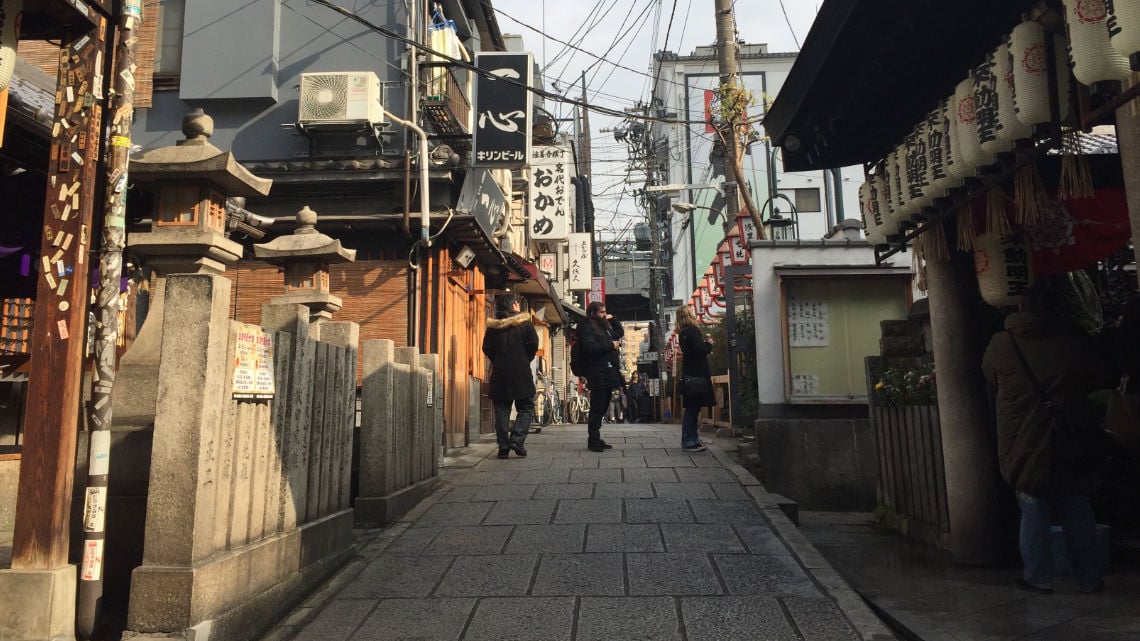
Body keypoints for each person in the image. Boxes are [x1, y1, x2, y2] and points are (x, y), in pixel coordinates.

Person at [981, 283, 1113, 595]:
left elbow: (989, 375)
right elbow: (1098, 378)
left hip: (1023, 435)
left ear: (1021, 308)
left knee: (1032, 503)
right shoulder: (1076, 341)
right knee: (1077, 505)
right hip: (1071, 433)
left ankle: (1038, 576)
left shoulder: (1003, 343)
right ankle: (1089, 578)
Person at [482, 293, 539, 459]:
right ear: (514, 305)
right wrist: (524, 358)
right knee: (526, 406)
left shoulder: (493, 327)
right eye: (517, 303)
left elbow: (486, 348)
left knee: (501, 409)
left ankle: (503, 447)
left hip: (500, 373)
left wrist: (498, 360)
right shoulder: (525, 324)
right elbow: (533, 344)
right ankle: (517, 439)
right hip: (521, 371)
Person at [578, 301, 624, 452]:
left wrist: (613, 318)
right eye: (602, 312)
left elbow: (619, 333)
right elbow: (589, 348)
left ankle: (596, 438)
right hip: (597, 372)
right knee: (597, 407)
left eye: (605, 312)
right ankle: (593, 440)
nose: (605, 315)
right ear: (593, 313)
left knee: (603, 406)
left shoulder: (604, 326)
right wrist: (610, 346)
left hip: (607, 372)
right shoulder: (587, 327)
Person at [676, 305, 714, 452]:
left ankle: (692, 438)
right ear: (689, 315)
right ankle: (689, 440)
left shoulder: (682, 333)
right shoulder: (692, 331)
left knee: (692, 407)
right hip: (697, 373)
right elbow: (701, 350)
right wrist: (709, 344)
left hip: (689, 373)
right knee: (693, 408)